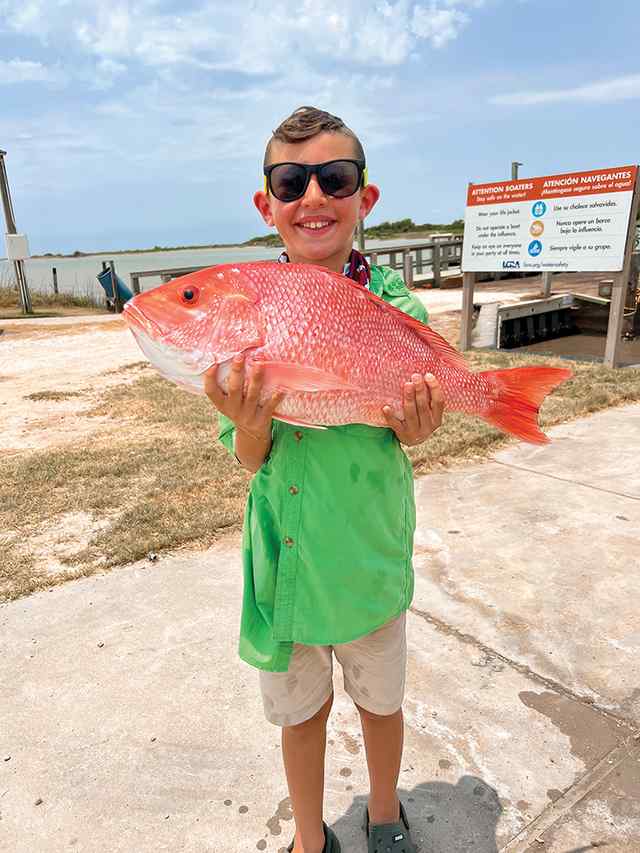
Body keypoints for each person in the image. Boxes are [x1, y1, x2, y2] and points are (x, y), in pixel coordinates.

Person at [204, 106, 444, 853]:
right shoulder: (248, 314)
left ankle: (383, 814)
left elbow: (410, 425)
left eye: (335, 179)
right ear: (266, 204)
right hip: (287, 562)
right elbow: (249, 456)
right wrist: (247, 417)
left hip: (367, 553)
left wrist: (418, 420)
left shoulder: (396, 306)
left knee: (380, 701)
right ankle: (309, 836)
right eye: (291, 180)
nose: (313, 196)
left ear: (363, 199)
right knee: (299, 713)